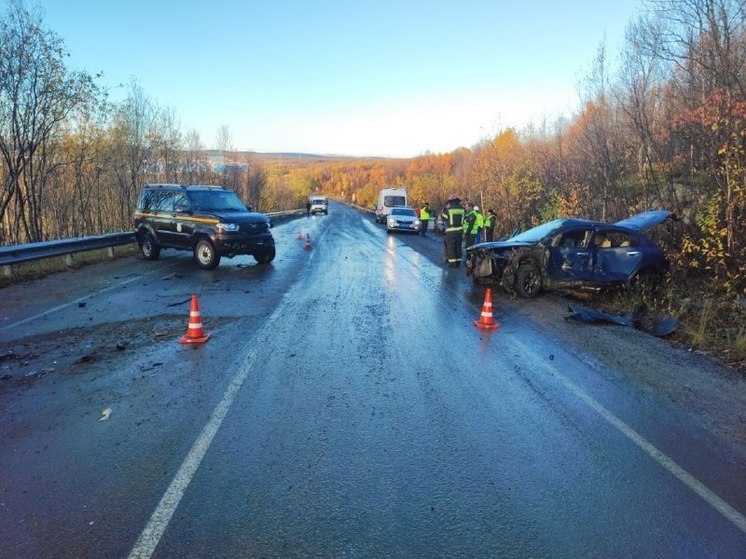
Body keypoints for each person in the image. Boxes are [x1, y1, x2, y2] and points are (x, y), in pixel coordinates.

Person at [442, 195, 465, 267]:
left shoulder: (448, 210)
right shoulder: (463, 209)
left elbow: (444, 218)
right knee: (458, 246)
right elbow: (465, 218)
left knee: (451, 247)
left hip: (451, 231)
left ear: (451, 202)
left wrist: (444, 210)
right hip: (460, 231)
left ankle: (453, 263)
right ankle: (458, 262)